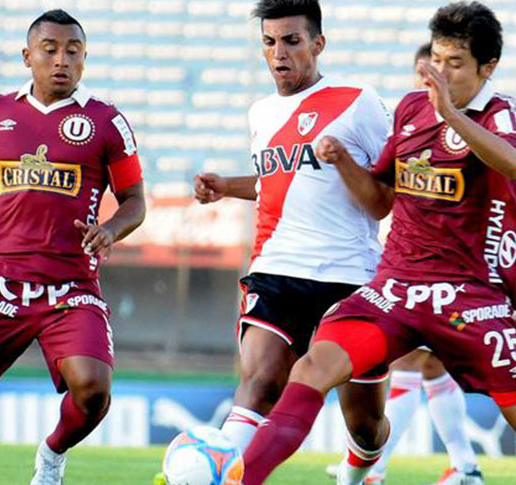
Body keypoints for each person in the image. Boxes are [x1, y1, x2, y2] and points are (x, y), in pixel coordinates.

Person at [241, 3, 516, 485]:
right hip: (396, 289)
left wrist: (452, 115)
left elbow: (515, 164)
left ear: (488, 68)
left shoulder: (502, 114)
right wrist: (343, 162)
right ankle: (241, 479)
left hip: (471, 299)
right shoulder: (411, 109)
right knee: (311, 369)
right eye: (436, 60)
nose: (441, 73)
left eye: (455, 63)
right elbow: (380, 198)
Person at [0, 9, 145, 485]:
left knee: (93, 392)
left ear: (85, 59)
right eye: (50, 50)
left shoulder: (106, 122)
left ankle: (52, 453)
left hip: (70, 287)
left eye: (73, 51)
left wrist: (111, 229)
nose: (61, 60)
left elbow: (135, 202)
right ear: (28, 57)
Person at [192, 0, 392, 470]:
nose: (279, 53)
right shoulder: (261, 112)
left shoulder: (358, 102)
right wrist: (226, 187)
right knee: (260, 381)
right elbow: (279, 183)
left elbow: (386, 200)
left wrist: (342, 158)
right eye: (269, 42)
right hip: (276, 269)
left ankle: (359, 471)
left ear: (318, 44)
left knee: (364, 422)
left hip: (350, 277)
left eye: (291, 41)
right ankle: (215, 474)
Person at [326, 41, 484, 485]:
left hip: (437, 270)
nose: (429, 84)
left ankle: (374, 467)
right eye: (424, 76)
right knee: (428, 367)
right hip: (411, 264)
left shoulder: (467, 130)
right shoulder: (411, 123)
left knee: (411, 365)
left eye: (440, 72)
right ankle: (465, 466)